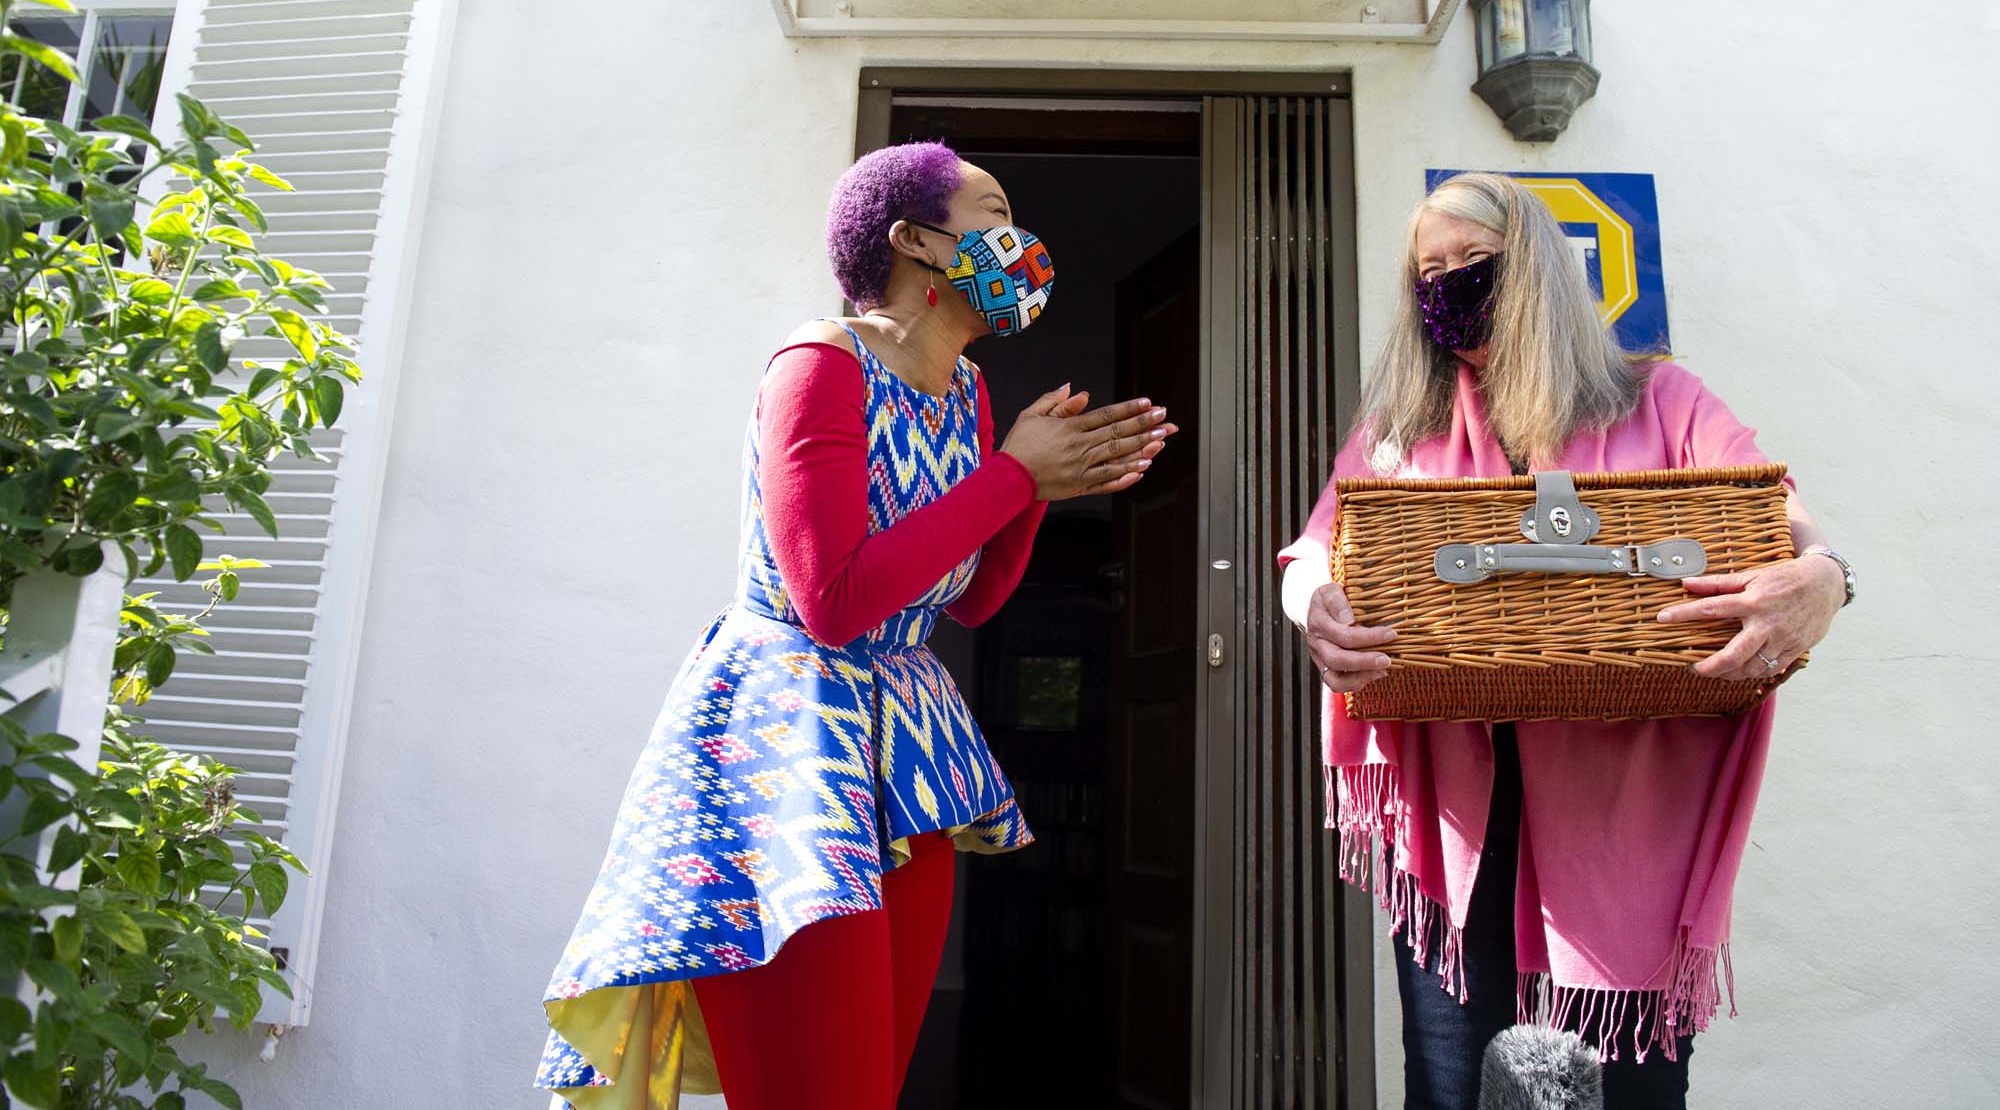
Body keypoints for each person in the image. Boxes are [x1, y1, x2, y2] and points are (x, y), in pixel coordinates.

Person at [534, 141, 1178, 1110]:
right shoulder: (818, 364)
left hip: (909, 759)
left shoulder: (965, 389)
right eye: (993, 215)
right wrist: (1012, 476)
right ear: (916, 241)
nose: (1019, 242)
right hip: (789, 742)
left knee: (866, 1084)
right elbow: (829, 598)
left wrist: (1032, 487)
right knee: (815, 1086)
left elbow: (967, 599)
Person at [1278, 172, 1852, 1110]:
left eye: (1474, 259)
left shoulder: (1657, 398)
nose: (1451, 280)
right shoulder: (1404, 429)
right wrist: (1315, 605)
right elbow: (1317, 544)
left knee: (1625, 1093)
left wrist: (1828, 577)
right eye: (1431, 268)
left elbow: (1776, 513)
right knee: (1454, 1089)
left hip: (1622, 818)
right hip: (1458, 824)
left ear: (1537, 268)